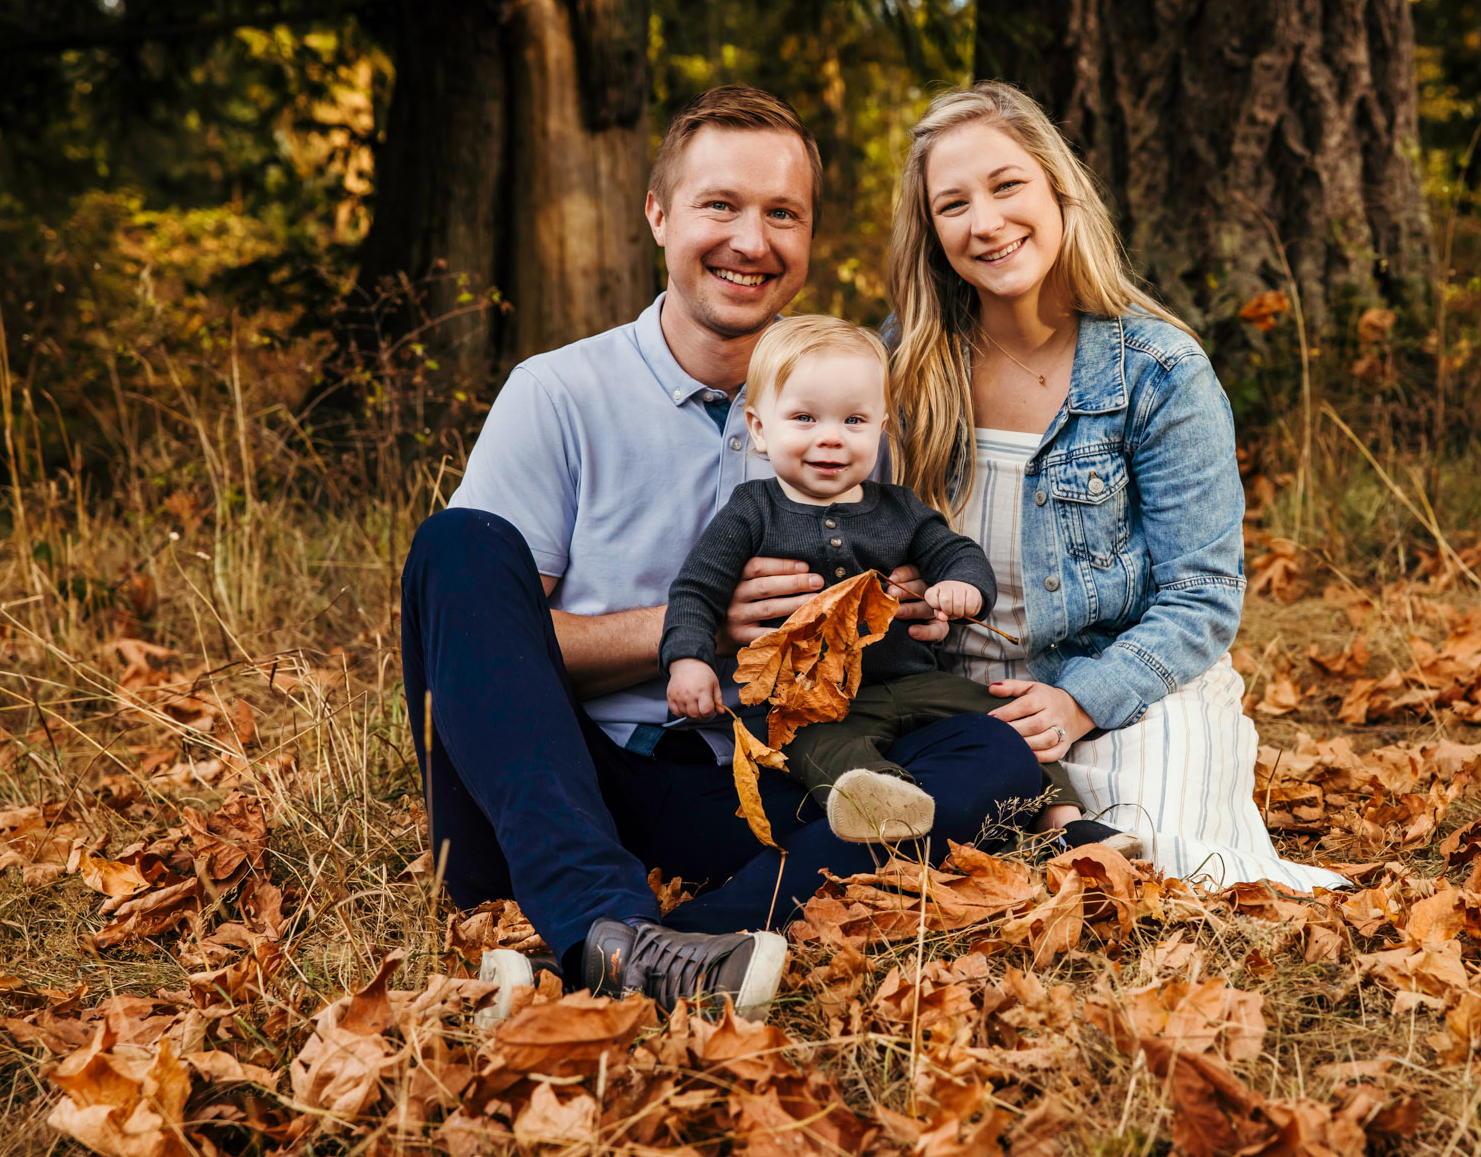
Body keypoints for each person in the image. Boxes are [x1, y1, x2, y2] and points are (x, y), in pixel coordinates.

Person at [402, 86, 1044, 1021]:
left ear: (810, 236)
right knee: (455, 546)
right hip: (570, 779)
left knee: (994, 758)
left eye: (783, 213)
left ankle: (686, 941)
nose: (753, 241)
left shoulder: (850, 410)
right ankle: (599, 916)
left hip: (767, 784)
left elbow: (901, 590)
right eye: (721, 206)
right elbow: (486, 649)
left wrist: (894, 608)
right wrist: (689, 630)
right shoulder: (556, 394)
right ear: (659, 215)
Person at [885, 81, 1349, 892]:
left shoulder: (1159, 371)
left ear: (1058, 189)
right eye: (952, 204)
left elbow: (1202, 597)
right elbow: (858, 523)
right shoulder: (903, 360)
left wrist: (1077, 704)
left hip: (1122, 684)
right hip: (958, 696)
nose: (985, 223)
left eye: (1005, 186)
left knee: (1142, 872)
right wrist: (896, 593)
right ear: (930, 232)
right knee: (952, 863)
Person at [659, 315, 1136, 853]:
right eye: (805, 418)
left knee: (1000, 720)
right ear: (761, 429)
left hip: (913, 682)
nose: (831, 438)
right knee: (811, 745)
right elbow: (697, 591)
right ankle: (890, 807)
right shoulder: (751, 513)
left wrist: (963, 587)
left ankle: (1065, 822)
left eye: (854, 420)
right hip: (813, 702)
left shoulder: (898, 508)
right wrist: (689, 660)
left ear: (881, 427)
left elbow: (956, 552)